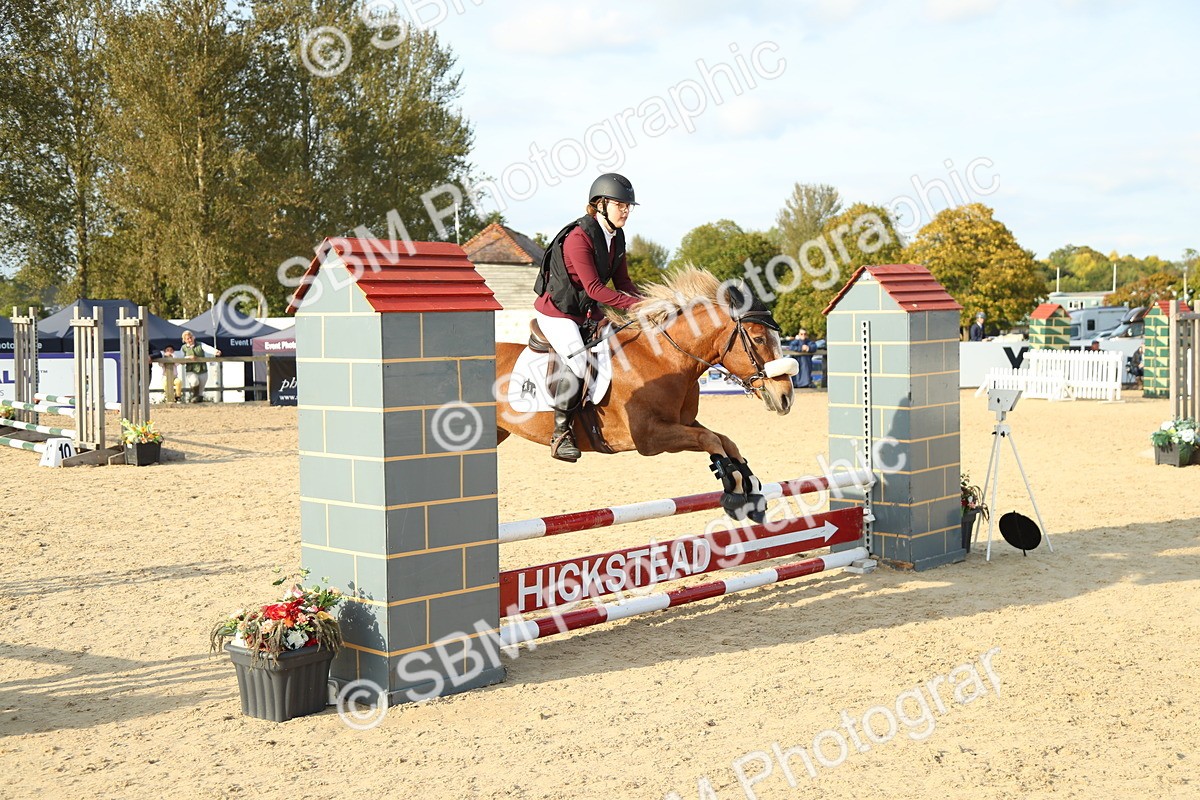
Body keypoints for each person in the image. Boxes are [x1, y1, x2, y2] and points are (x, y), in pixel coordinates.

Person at [533, 173, 643, 462]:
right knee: (579, 360)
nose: (626, 211)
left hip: (586, 313)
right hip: (558, 313)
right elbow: (595, 288)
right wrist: (633, 306)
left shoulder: (616, 237)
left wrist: (651, 303)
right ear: (601, 204)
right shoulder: (578, 238)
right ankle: (561, 434)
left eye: (629, 206)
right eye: (621, 205)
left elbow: (624, 284)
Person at [180, 330, 221, 403]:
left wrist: (216, 351)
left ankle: (198, 405)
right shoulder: (183, 348)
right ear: (184, 340)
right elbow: (180, 358)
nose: (190, 340)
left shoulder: (200, 344)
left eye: (190, 337)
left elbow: (208, 348)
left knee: (201, 390)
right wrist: (189, 357)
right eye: (187, 339)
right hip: (191, 369)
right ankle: (194, 396)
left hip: (202, 368)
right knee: (194, 382)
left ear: (193, 337)